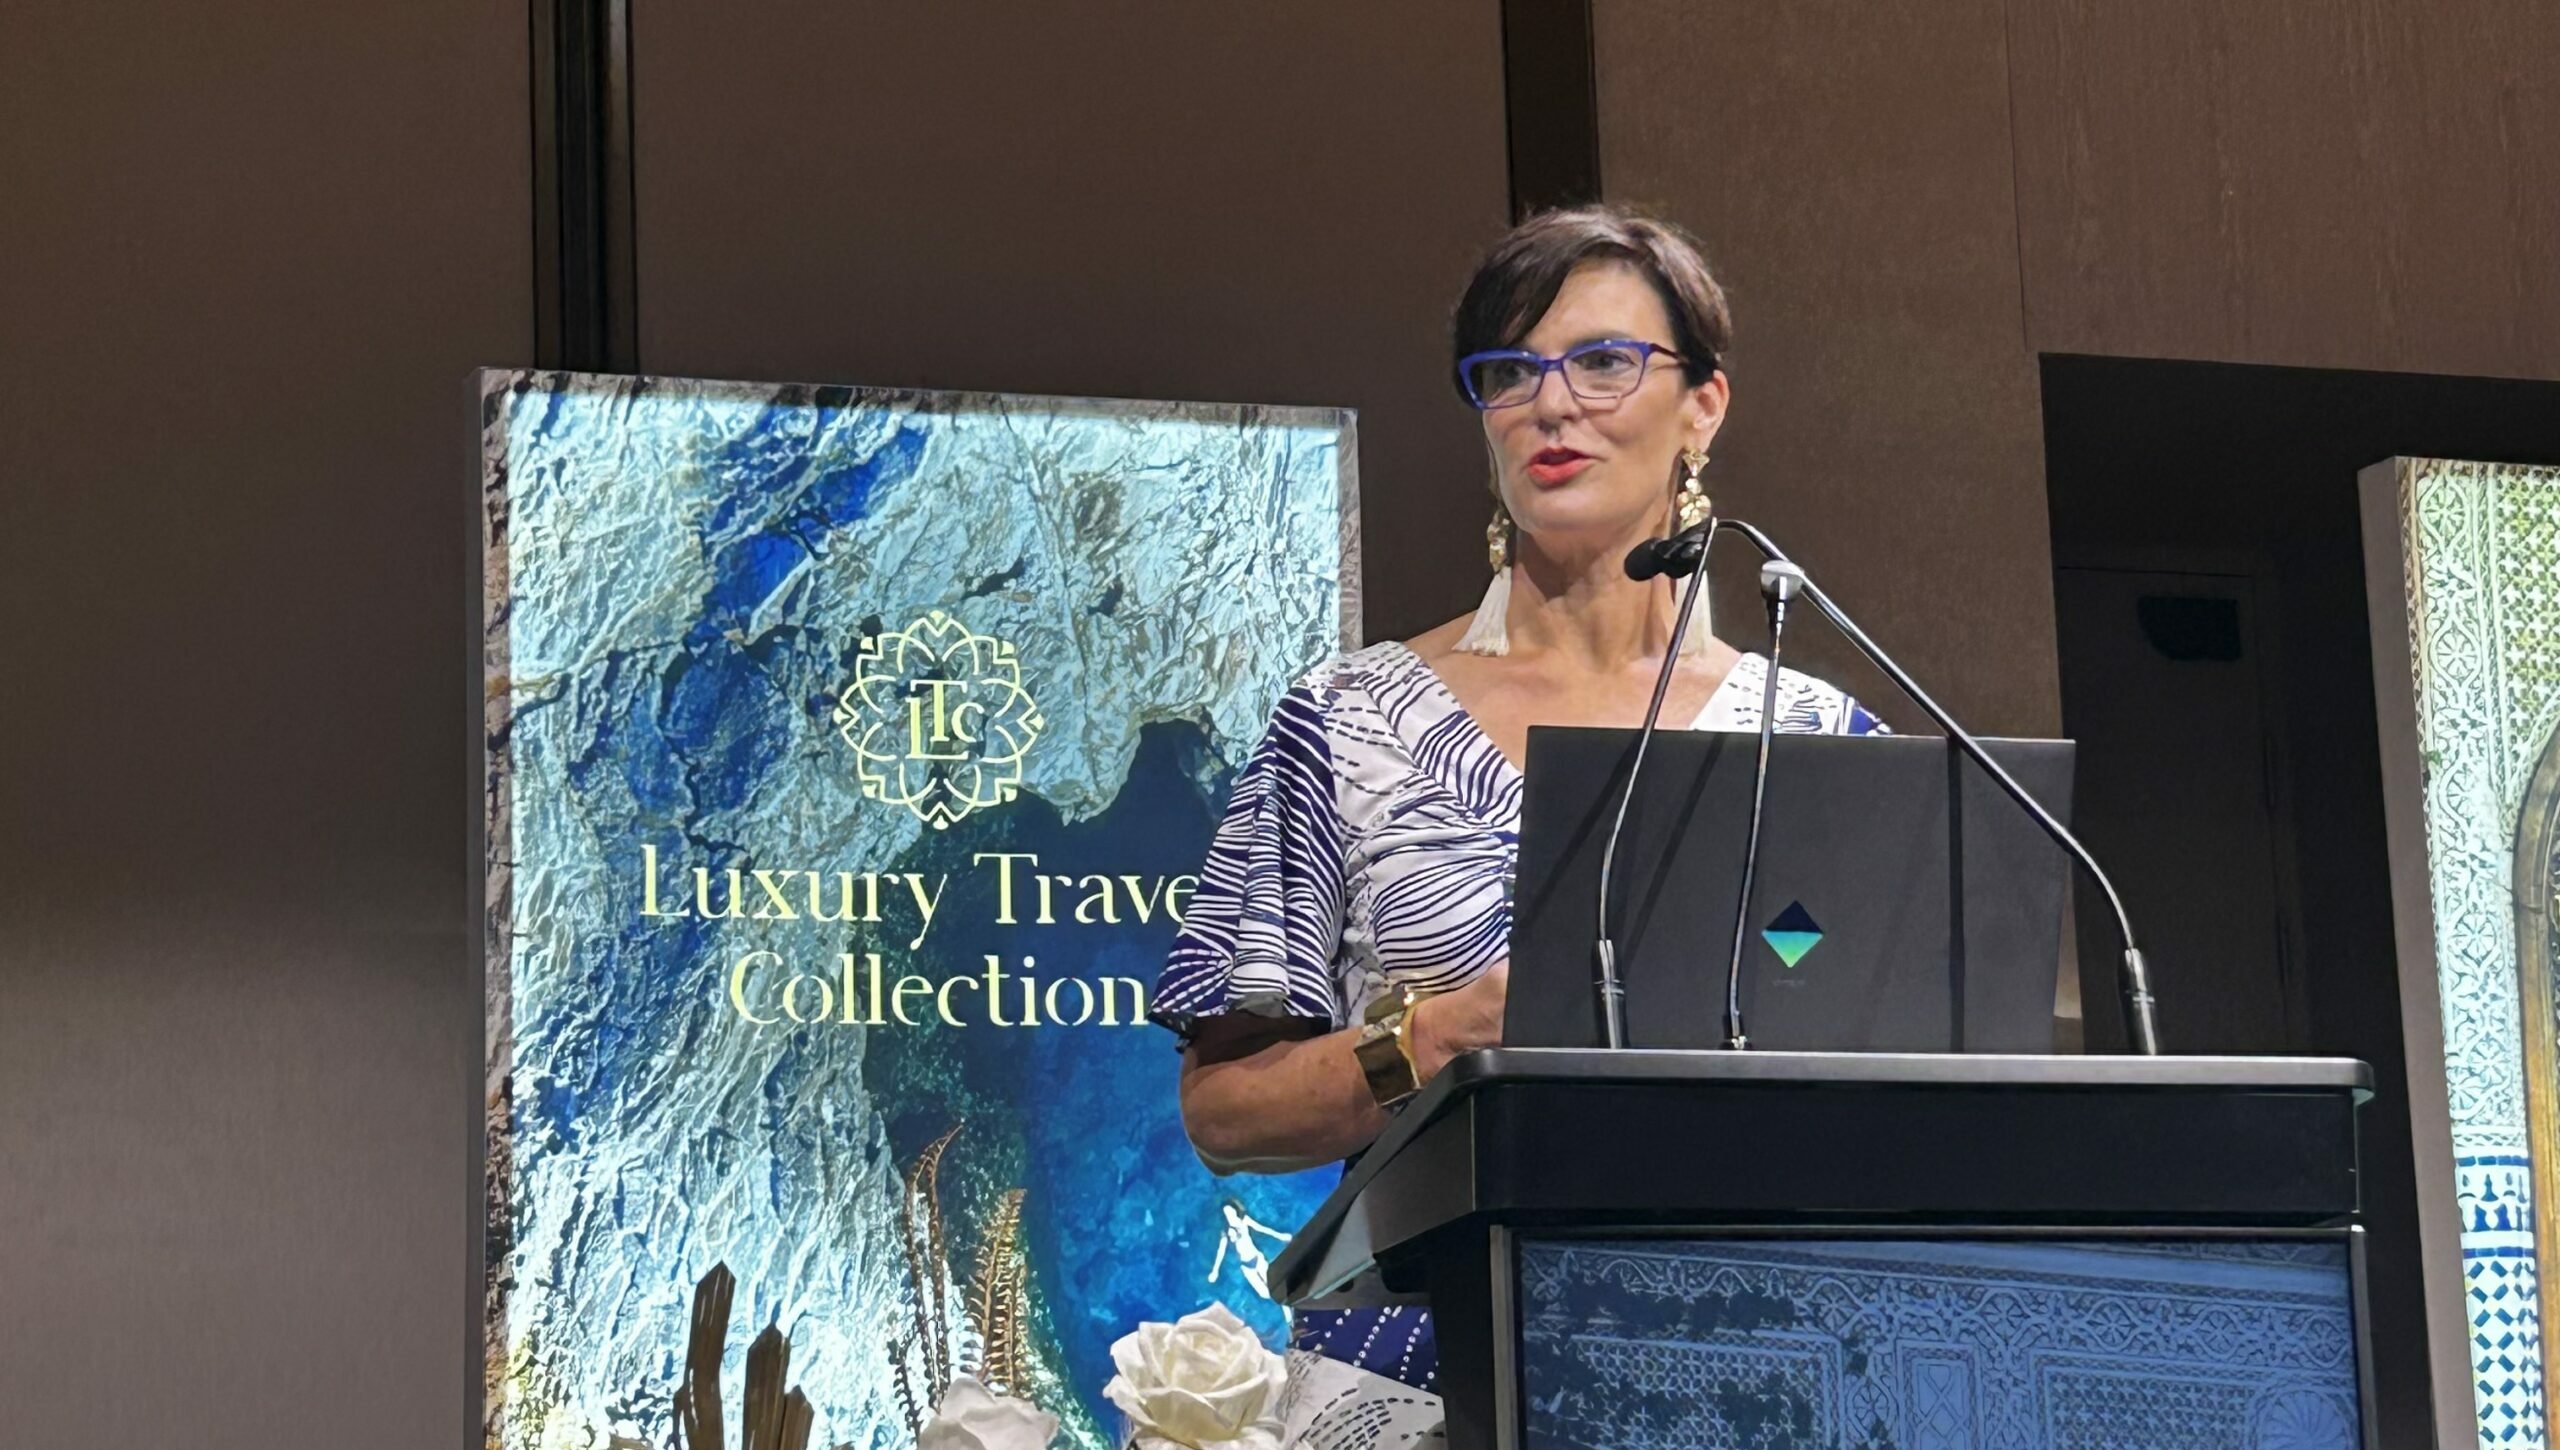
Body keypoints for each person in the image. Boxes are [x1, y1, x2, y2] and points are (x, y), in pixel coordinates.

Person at [1149, 204, 1885, 1434]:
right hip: (1418, 1371)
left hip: (1759, 1376)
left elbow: (1891, 1072)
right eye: (1509, 372)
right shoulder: (1348, 722)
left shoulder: (1815, 742)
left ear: (1702, 405)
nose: (1551, 405)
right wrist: (1433, 1040)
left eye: (1602, 362)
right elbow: (1224, 1111)